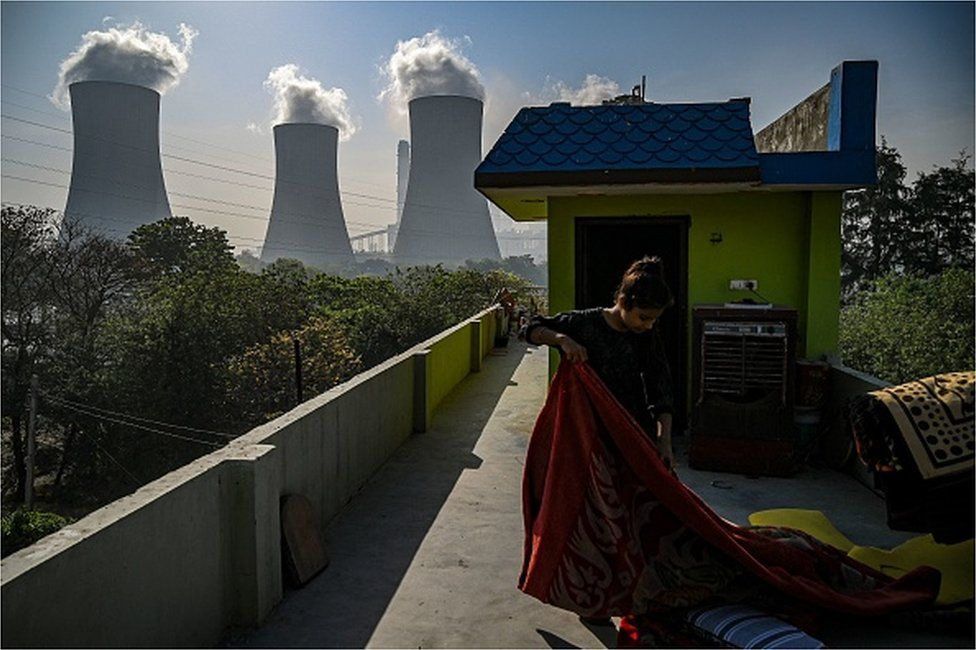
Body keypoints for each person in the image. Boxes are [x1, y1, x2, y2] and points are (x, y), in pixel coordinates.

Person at [522, 255, 675, 470]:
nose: (648, 325)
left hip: (631, 430)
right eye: (643, 317)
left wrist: (664, 441)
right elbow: (529, 329)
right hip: (587, 434)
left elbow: (661, 390)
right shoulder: (584, 323)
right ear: (623, 301)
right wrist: (562, 339)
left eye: (653, 319)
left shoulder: (647, 336)